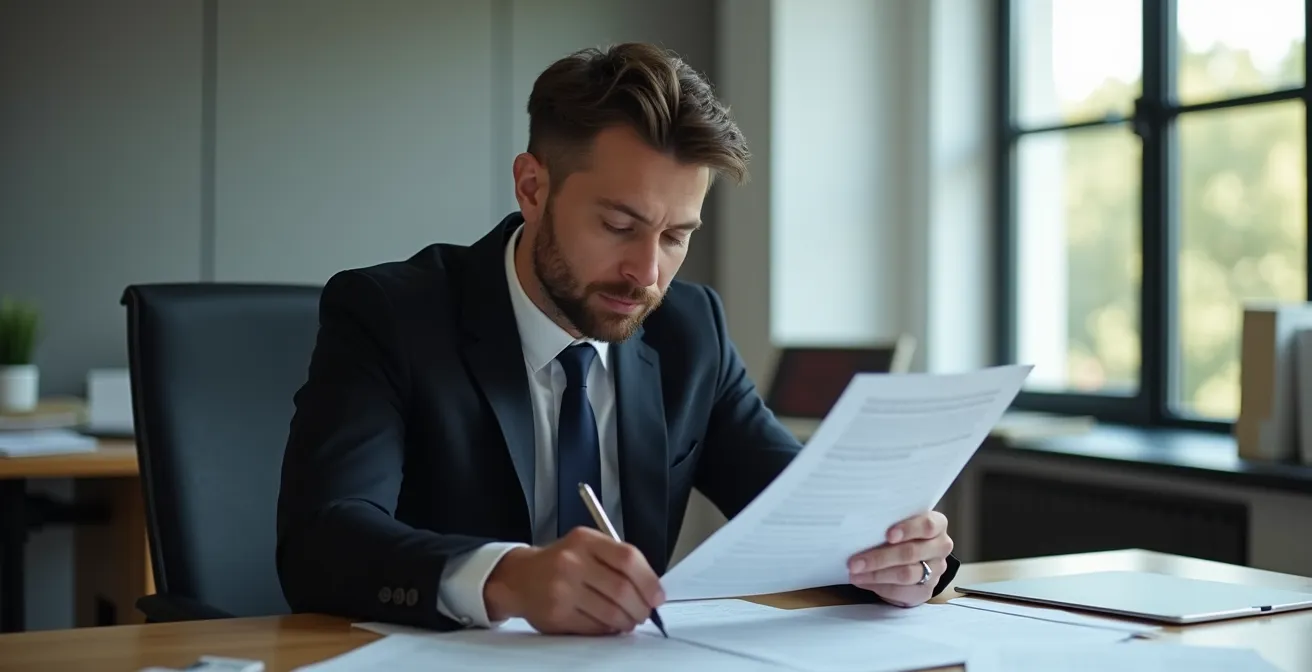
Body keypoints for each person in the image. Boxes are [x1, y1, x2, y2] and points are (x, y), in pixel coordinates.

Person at [275, 42, 957, 636]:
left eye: (676, 236)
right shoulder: (393, 313)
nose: (647, 272)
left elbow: (803, 513)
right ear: (533, 186)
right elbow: (321, 540)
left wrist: (906, 555)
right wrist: (506, 578)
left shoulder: (692, 333)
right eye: (619, 225)